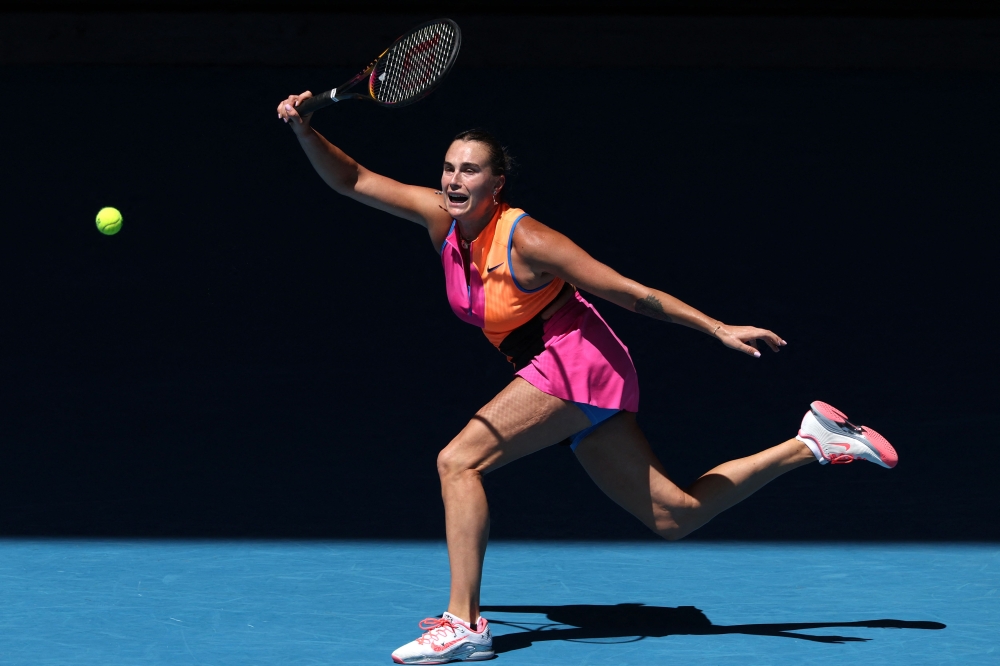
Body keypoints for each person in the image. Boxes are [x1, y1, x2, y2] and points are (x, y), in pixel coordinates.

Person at [276, 92, 898, 665]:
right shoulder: (440, 220)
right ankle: (813, 440)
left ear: (497, 183)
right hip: (562, 370)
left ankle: (464, 624)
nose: (453, 179)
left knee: (457, 462)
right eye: (448, 168)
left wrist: (715, 328)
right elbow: (352, 178)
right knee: (675, 518)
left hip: (581, 361)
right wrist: (306, 129)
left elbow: (630, 293)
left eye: (470, 170)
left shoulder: (529, 239)